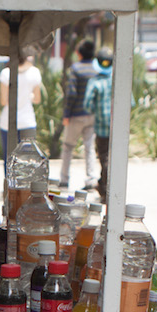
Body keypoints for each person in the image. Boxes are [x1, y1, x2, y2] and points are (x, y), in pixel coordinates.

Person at [59, 37, 98, 191]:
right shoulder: (96, 69)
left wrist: (66, 114)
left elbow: (71, 93)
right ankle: (90, 179)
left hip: (76, 114)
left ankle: (64, 179)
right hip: (92, 115)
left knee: (68, 146)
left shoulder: (76, 69)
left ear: (79, 53)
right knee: (89, 147)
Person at [0, 50, 42, 170]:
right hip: (27, 121)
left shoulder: (6, 73)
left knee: (9, 159)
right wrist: (28, 96)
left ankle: (9, 187)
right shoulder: (34, 72)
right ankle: (25, 188)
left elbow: (3, 101)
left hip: (8, 120)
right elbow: (37, 99)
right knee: (28, 160)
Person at [83, 46, 114, 200]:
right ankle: (104, 186)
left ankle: (106, 188)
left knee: (105, 158)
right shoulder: (117, 81)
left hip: (102, 128)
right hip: (117, 129)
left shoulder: (94, 83)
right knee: (112, 157)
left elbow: (87, 105)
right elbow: (131, 102)